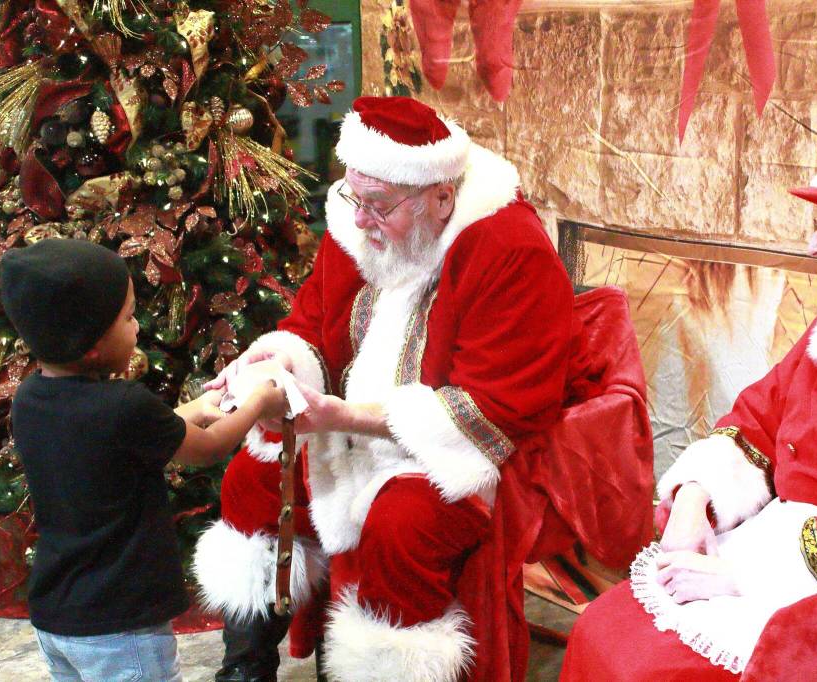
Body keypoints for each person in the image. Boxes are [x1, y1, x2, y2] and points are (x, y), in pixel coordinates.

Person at [197, 95, 575, 681]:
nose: (360, 216)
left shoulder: (509, 250)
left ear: (441, 197)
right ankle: (244, 672)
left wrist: (342, 418)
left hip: (452, 451)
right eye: (354, 196)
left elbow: (497, 408)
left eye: (379, 204)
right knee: (252, 477)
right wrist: (273, 363)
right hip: (345, 424)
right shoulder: (358, 225)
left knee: (402, 526)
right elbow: (311, 330)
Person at [560, 129, 817, 680]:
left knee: (652, 668)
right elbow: (759, 416)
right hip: (793, 547)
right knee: (603, 629)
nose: (813, 246)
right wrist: (696, 500)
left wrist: (744, 577)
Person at [1, 239, 287, 682]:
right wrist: (257, 403)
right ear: (91, 343)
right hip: (121, 621)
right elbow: (208, 449)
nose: (137, 328)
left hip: (57, 612)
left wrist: (195, 411)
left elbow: (114, 440)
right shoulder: (124, 405)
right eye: (129, 317)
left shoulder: (30, 398)